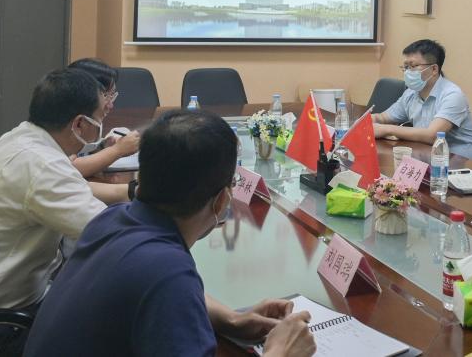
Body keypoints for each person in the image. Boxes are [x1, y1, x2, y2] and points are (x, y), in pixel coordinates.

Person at [24, 110, 315, 357]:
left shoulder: (111, 219)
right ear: (221, 201)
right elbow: (166, 286)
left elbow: (161, 293)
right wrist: (281, 352)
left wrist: (232, 320)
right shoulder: (167, 270)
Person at [0, 68, 128, 356]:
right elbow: (114, 235)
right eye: (100, 117)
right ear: (80, 124)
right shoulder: (42, 165)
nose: (102, 123)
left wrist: (130, 193)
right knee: (119, 324)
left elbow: (68, 189)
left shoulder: (21, 139)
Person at [372, 39, 472, 159]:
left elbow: (432, 136)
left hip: (460, 161)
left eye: (413, 66)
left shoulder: (452, 95)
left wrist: (387, 130)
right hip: (427, 155)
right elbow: (382, 118)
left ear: (434, 69)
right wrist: (366, 121)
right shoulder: (410, 93)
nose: (407, 72)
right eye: (406, 67)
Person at [67, 58, 141, 177]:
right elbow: (68, 169)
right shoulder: (64, 124)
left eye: (112, 96)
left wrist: (100, 148)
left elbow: (80, 154)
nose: (111, 105)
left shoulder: (87, 119)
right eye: (106, 96)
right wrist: (118, 150)